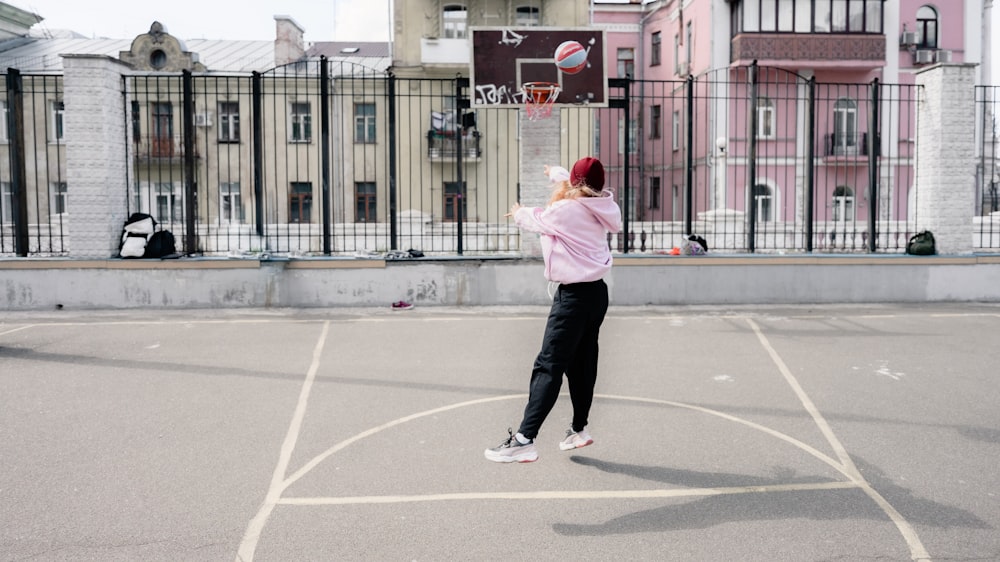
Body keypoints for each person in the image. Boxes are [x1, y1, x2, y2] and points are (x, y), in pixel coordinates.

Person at [485, 156, 622, 463]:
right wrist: (556, 174)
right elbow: (574, 186)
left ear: (574, 183)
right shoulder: (603, 207)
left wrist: (519, 212)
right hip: (597, 293)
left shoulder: (566, 210)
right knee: (583, 362)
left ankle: (524, 439)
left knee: (549, 364)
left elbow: (537, 219)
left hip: (572, 298)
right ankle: (578, 430)